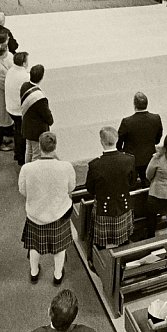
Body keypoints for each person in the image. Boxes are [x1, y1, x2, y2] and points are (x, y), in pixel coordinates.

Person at [19, 132, 77, 284]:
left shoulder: (27, 168)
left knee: (34, 245)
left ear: (39, 146)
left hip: (35, 215)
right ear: (55, 146)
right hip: (59, 214)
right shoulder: (66, 167)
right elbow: (71, 188)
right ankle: (58, 274)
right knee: (60, 247)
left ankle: (34, 271)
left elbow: (22, 191)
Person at [85, 127, 137, 254]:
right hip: (123, 205)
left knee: (101, 242)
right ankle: (123, 257)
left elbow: (90, 188)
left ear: (101, 142)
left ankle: (99, 261)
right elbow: (133, 182)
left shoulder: (95, 164)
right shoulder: (129, 159)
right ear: (117, 140)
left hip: (103, 208)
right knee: (124, 238)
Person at [116, 92, 163, 186]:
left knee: (131, 186)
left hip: (131, 160)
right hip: (149, 158)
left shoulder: (127, 122)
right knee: (148, 185)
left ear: (134, 105)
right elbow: (157, 139)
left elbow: (119, 142)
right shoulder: (156, 118)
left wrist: (122, 152)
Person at [21, 64, 54, 163]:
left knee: (28, 150)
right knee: (36, 154)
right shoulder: (40, 98)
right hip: (36, 130)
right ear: (41, 77)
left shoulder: (24, 86)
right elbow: (47, 116)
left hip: (27, 124)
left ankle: (25, 167)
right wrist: (51, 120)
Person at [6, 51, 32, 165]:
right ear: (24, 63)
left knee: (18, 130)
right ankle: (21, 157)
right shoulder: (24, 76)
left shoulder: (11, 70)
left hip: (10, 106)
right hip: (18, 110)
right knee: (22, 133)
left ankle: (18, 153)